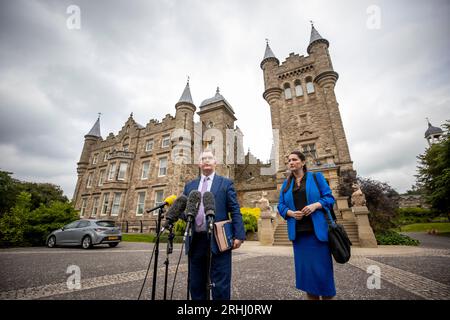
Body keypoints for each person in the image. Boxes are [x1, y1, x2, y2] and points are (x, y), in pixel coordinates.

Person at [183, 150, 246, 300]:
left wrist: (239, 235)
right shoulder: (189, 185)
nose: (206, 161)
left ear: (215, 163)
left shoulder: (225, 183)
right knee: (196, 283)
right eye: (203, 158)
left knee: (221, 283)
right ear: (199, 164)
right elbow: (185, 211)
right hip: (196, 240)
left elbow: (235, 210)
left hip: (219, 240)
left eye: (209, 158)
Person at [277, 151, 336, 300]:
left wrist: (315, 205)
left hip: (318, 235)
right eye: (289, 160)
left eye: (294, 159)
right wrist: (290, 213)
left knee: (323, 276)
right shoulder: (286, 183)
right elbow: (281, 205)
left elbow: (329, 198)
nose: (291, 162)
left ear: (303, 162)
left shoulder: (316, 177)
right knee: (308, 279)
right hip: (299, 237)